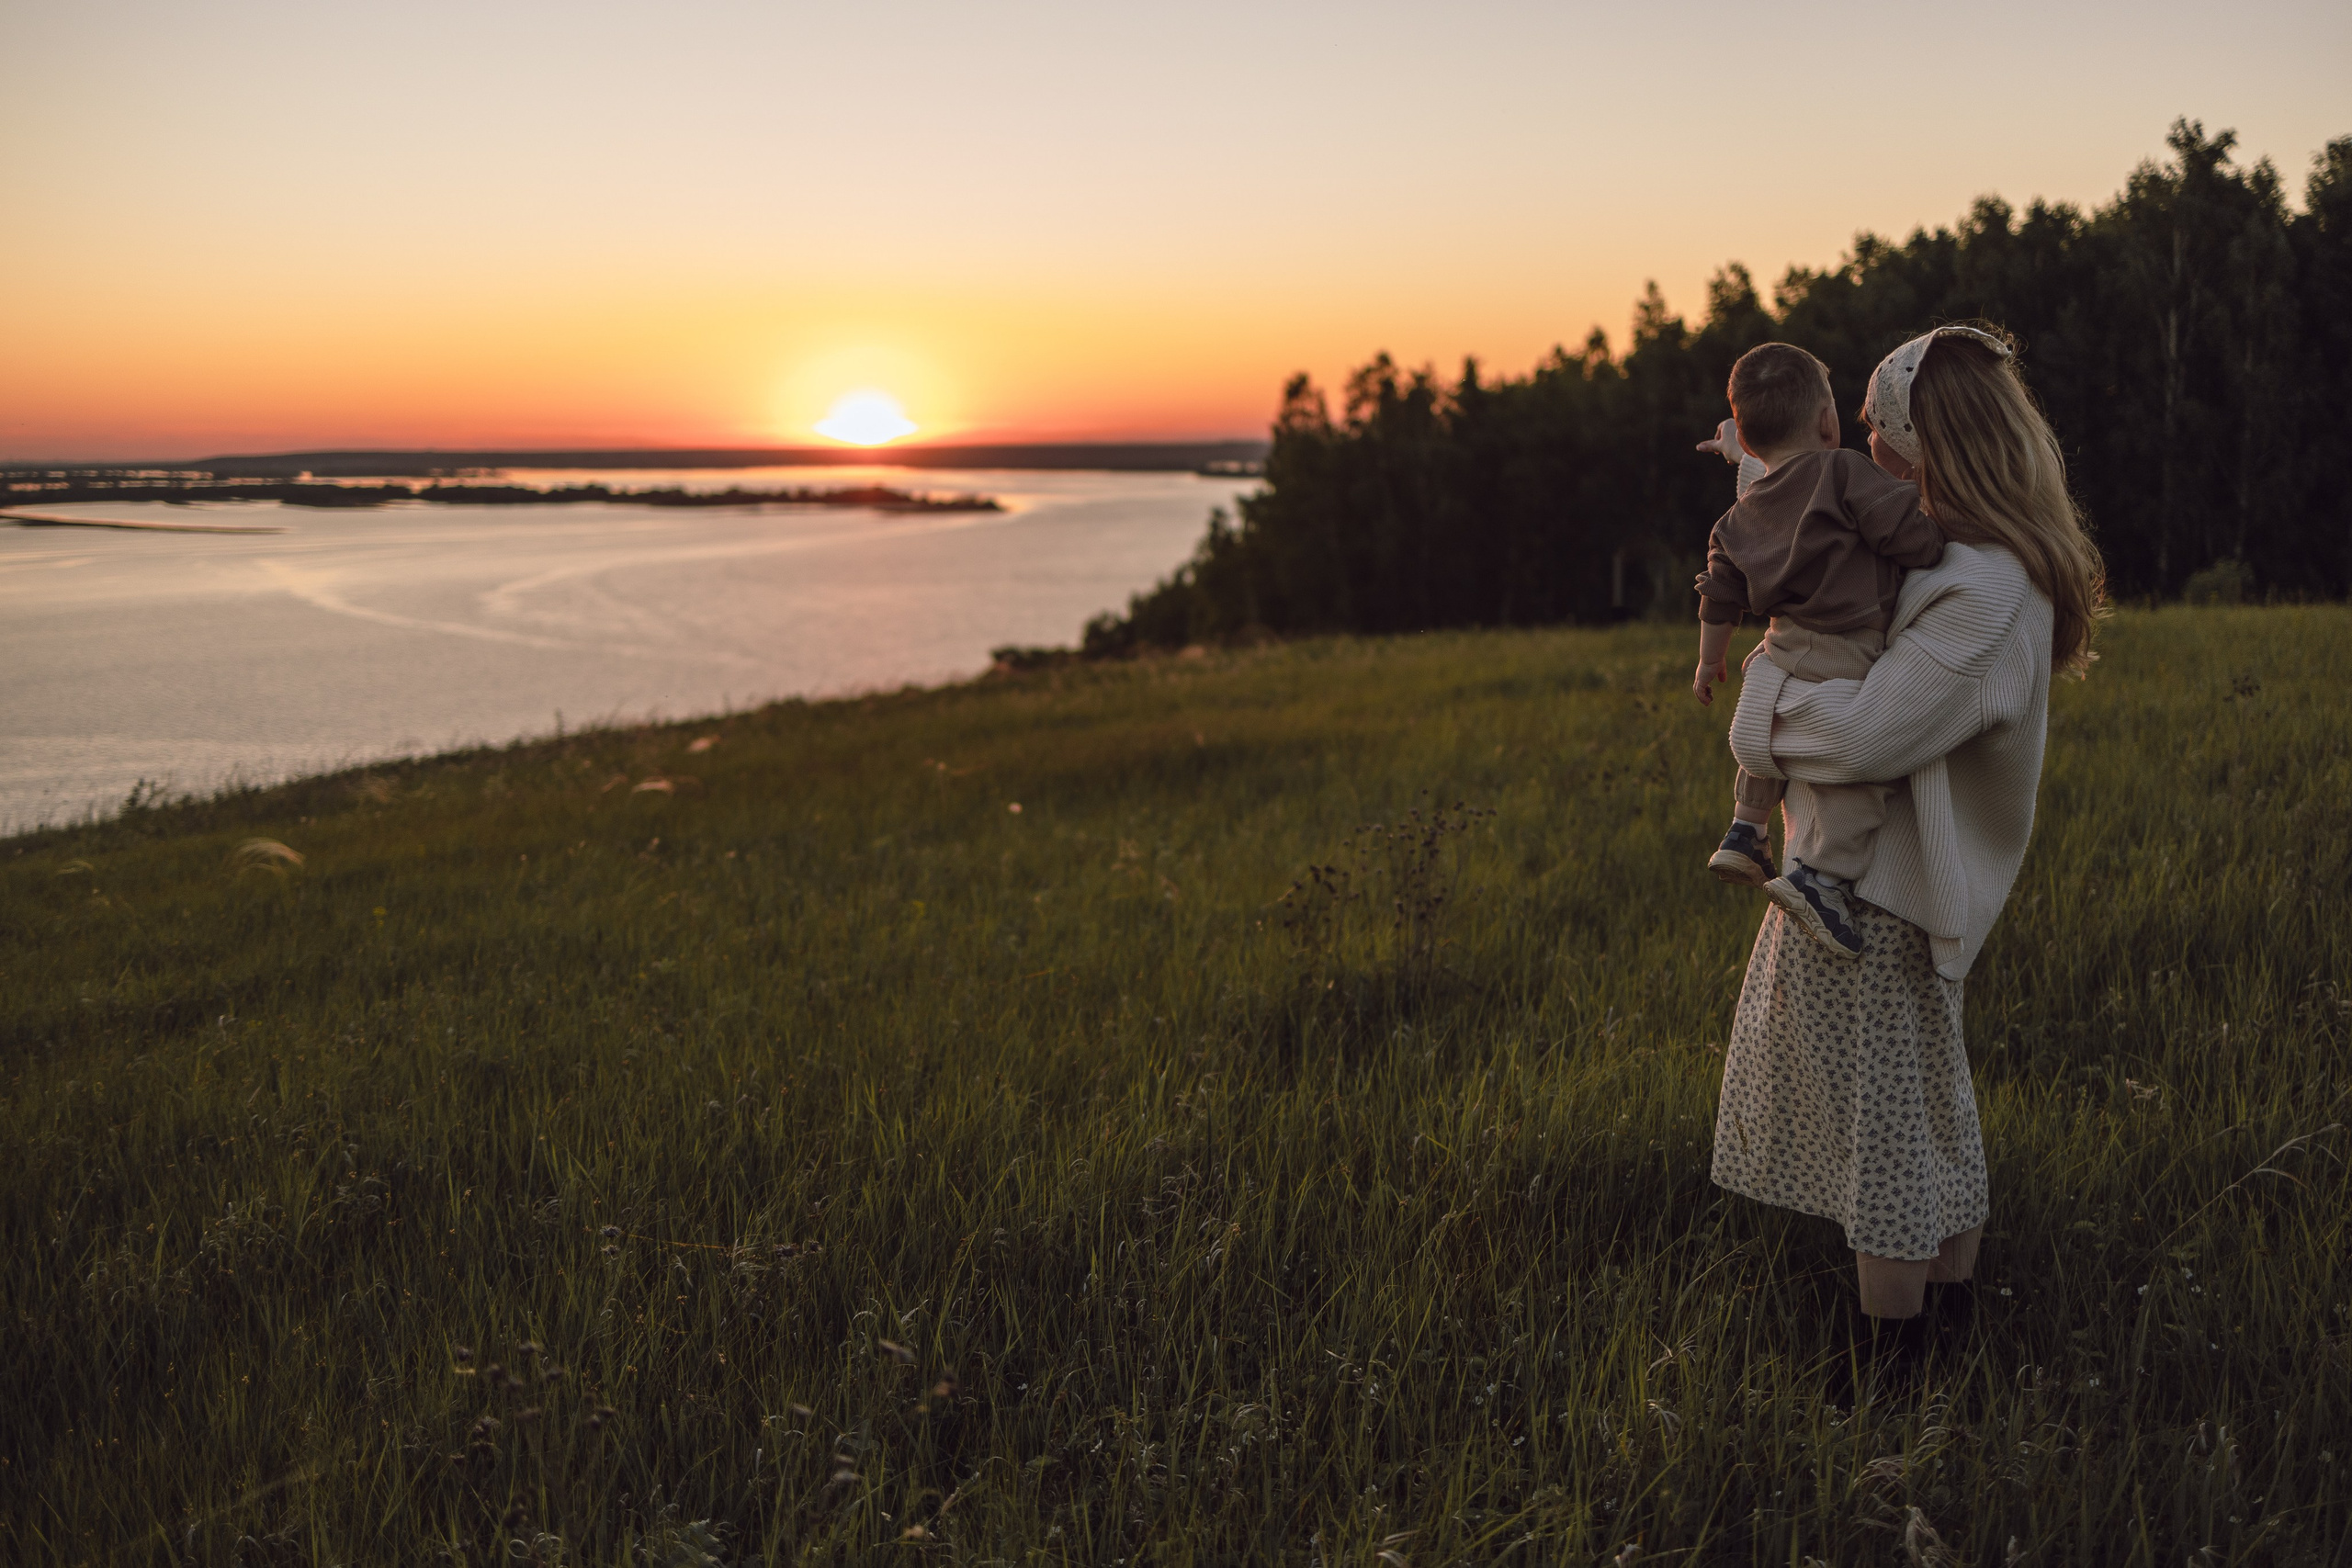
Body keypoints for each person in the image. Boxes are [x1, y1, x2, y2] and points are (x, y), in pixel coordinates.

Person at [1703, 323, 2107, 1366]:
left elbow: (1872, 731)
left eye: (1884, 444)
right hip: (1892, 884)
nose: (1868, 462)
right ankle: (1949, 1332)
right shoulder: (1971, 560)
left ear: (1929, 449)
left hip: (1876, 898)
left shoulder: (1981, 590)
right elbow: (1808, 497)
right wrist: (1755, 460)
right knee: (1925, 1112)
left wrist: (1760, 711)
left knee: (1881, 1136)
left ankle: (1888, 1371)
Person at [1690, 342, 1952, 960]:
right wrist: (1938, 535)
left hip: (1779, 648)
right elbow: (1903, 533)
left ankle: (1747, 827)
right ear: (1829, 422)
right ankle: (1824, 877)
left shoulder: (1735, 518)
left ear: (1749, 446)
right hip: (1847, 647)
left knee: (1765, 723)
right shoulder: (1846, 472)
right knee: (1863, 773)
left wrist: (1709, 661)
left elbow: (1719, 595)